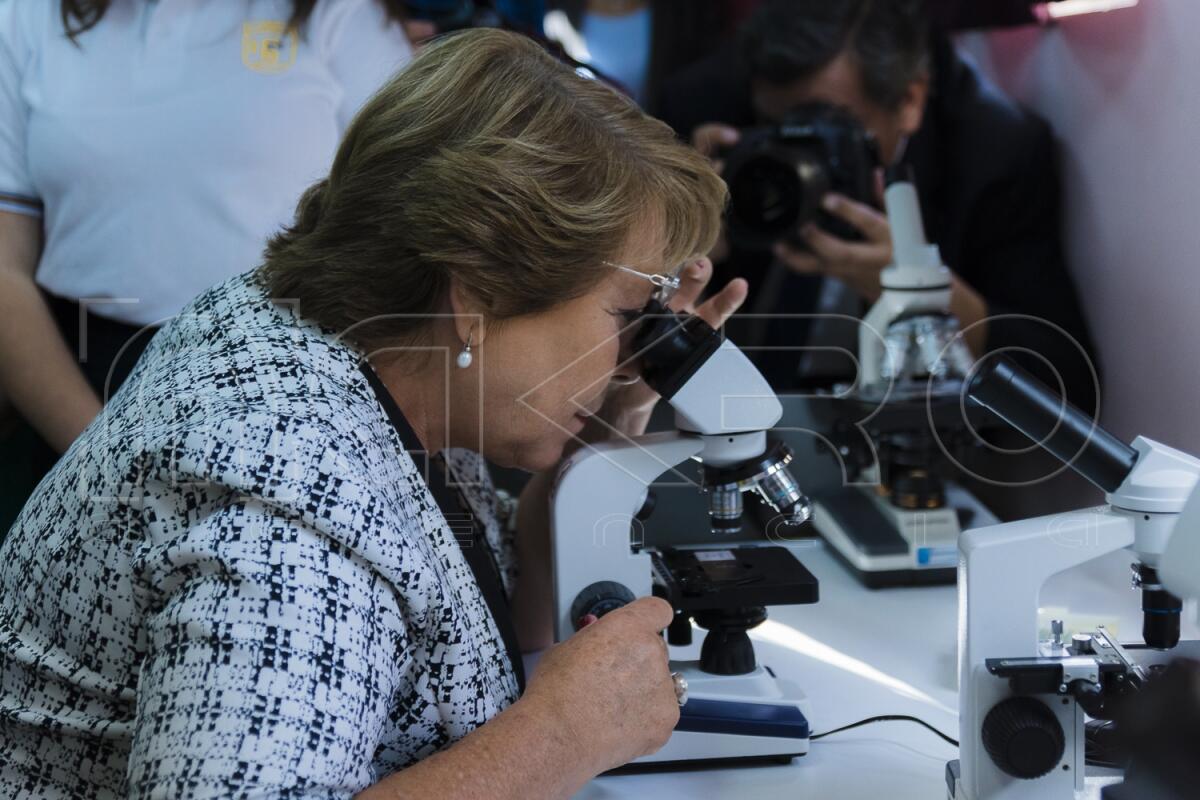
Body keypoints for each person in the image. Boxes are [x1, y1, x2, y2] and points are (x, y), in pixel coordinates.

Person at [0, 29, 748, 798]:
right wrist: (559, 737)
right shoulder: (284, 491)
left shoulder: (383, 357)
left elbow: (495, 631)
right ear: (481, 292)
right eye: (628, 313)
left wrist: (603, 426)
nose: (634, 354)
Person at [0, 0, 413, 530]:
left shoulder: (341, 15)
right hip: (76, 392)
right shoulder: (29, 16)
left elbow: (404, 241)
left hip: (287, 403)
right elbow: (6, 271)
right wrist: (102, 458)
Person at [658, 0, 1098, 409]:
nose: (800, 153)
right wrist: (679, 246)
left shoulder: (990, 151)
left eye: (827, 127)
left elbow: (1066, 386)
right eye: (776, 126)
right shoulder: (702, 107)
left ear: (910, 100)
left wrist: (924, 294)